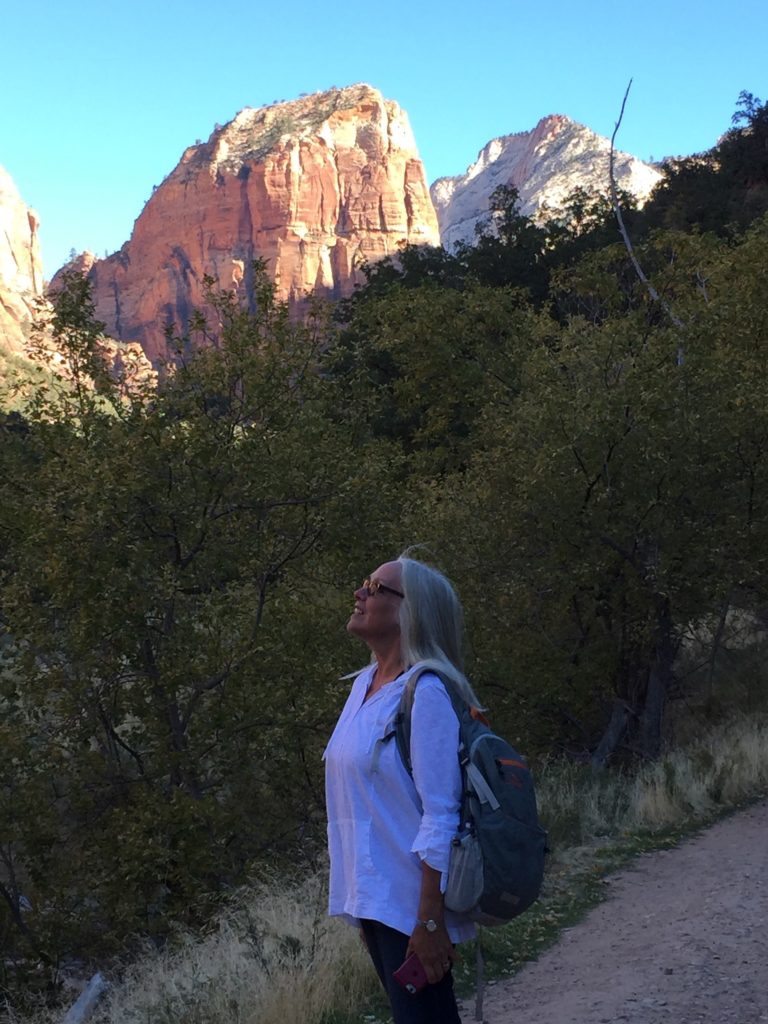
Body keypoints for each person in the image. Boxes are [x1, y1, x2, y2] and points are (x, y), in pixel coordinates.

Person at [324, 555, 483, 1024]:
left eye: (375, 587)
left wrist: (430, 922)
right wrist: (363, 903)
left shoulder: (425, 691)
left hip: (413, 908)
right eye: (364, 582)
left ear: (409, 611)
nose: (360, 593)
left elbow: (441, 815)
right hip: (378, 900)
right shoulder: (362, 687)